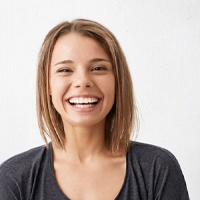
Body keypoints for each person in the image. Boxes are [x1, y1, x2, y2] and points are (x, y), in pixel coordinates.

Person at [0, 19, 189, 200]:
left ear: (118, 82)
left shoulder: (157, 168)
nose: (83, 81)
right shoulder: (14, 178)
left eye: (98, 68)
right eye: (65, 70)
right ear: (47, 85)